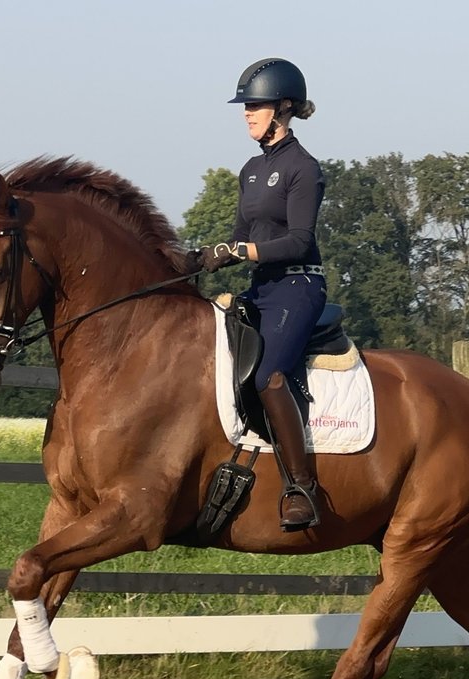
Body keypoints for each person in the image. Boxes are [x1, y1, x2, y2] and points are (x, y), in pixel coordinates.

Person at [194, 57, 326, 531]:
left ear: (284, 107)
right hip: (261, 287)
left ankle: (303, 489)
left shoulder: (303, 169)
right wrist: (203, 258)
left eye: (255, 104)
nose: (246, 113)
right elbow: (239, 236)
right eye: (245, 106)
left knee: (269, 375)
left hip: (298, 285)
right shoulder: (250, 170)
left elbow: (298, 240)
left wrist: (240, 249)